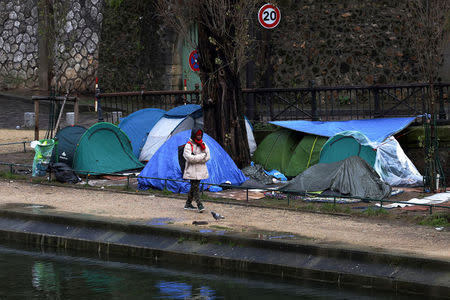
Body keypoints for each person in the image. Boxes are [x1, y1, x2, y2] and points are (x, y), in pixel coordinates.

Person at [183, 126, 210, 212]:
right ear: (194, 135)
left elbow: (208, 157)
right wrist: (201, 157)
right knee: (195, 187)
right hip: (191, 170)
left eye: (200, 135)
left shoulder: (204, 145)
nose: (199, 136)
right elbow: (189, 158)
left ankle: (188, 203)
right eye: (197, 135)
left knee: (194, 187)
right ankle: (199, 205)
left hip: (200, 170)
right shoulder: (188, 145)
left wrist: (196, 158)